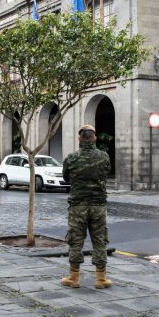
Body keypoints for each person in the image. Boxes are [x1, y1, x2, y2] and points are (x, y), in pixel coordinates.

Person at [60, 124, 112, 290]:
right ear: (95, 138)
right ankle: (101, 279)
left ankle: (74, 278)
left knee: (76, 241)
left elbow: (66, 178)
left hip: (77, 206)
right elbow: (106, 173)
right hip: (98, 205)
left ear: (79, 139)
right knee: (99, 241)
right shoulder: (104, 157)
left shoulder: (71, 158)